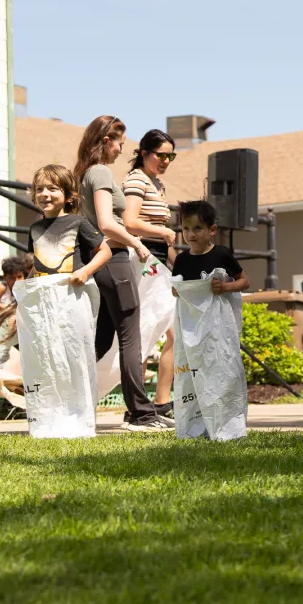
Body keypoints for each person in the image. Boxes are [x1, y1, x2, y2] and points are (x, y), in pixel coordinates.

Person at [75, 116, 171, 431]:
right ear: (106, 140)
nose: (120, 150)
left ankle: (73, 403)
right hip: (114, 262)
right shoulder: (100, 172)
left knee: (101, 341)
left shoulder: (84, 173)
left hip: (100, 264)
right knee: (131, 337)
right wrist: (136, 243)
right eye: (119, 143)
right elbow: (106, 222)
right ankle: (141, 414)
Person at [123, 129, 178, 413]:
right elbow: (129, 221)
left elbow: (162, 234)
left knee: (173, 332)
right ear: (144, 153)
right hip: (141, 259)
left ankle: (161, 401)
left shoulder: (157, 184)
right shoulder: (136, 180)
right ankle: (138, 406)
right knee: (145, 331)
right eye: (161, 155)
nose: (166, 161)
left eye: (171, 156)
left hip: (160, 261)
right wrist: (162, 231)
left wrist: (177, 264)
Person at [172, 200, 249, 294]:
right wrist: (176, 291)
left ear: (212, 230)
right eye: (186, 228)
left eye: (197, 228)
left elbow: (245, 281)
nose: (191, 234)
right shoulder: (181, 260)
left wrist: (224, 287)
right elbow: (175, 289)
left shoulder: (221, 254)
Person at [0, 254, 33, 372]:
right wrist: (6, 313)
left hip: (7, 333)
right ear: (4, 277)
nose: (16, 281)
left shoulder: (22, 290)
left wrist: (1, 307)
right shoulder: (1, 288)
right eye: (11, 278)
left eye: (19, 277)